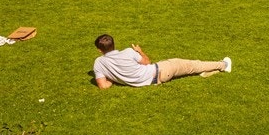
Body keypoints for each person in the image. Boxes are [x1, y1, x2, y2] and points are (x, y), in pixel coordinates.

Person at [92, 34, 231, 88]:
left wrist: (113, 77)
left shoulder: (98, 63)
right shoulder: (128, 52)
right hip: (161, 71)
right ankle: (223, 65)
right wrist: (139, 51)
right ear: (113, 44)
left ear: (99, 50)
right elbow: (147, 61)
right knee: (193, 64)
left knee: (191, 67)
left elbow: (103, 86)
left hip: (153, 79)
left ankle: (209, 70)